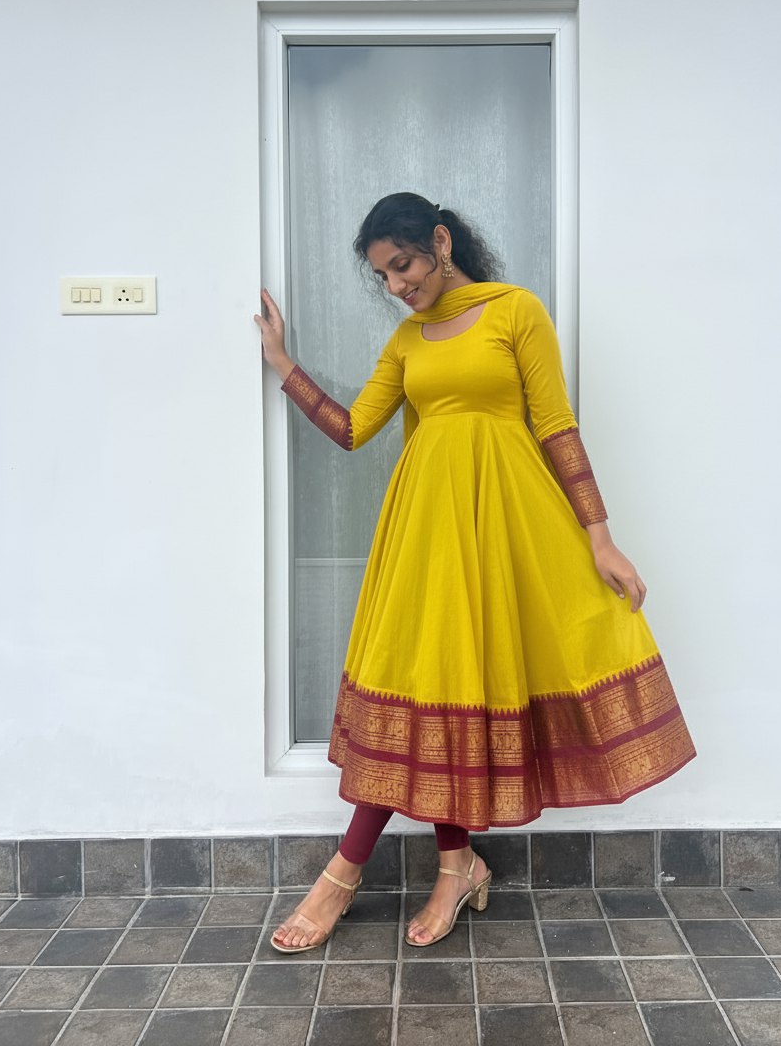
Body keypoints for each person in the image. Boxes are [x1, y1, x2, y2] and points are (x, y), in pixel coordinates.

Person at [254, 192, 696, 951]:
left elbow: (555, 426)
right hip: (425, 535)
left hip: (501, 528)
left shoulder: (515, 312)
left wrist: (600, 537)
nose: (397, 285)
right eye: (384, 278)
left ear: (440, 241)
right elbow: (357, 429)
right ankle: (455, 866)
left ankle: (355, 876)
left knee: (452, 685)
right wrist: (285, 367)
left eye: (403, 266)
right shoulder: (408, 342)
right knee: (429, 689)